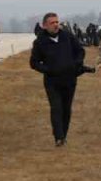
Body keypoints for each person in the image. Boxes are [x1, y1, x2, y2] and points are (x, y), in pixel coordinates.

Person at [29, 13, 85, 147]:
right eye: (52, 23)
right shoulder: (40, 42)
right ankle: (58, 137)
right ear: (45, 25)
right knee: (56, 108)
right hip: (52, 81)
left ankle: (63, 135)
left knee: (66, 109)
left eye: (57, 22)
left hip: (69, 79)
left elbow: (80, 51)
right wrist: (48, 69)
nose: (55, 25)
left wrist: (75, 64)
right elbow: (34, 62)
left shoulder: (68, 36)